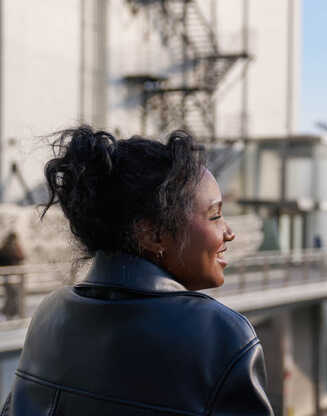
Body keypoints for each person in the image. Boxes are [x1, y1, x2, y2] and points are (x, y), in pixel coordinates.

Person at [1, 126, 273, 415]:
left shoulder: (49, 315)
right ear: (153, 234)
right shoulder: (223, 336)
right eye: (215, 215)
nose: (228, 232)